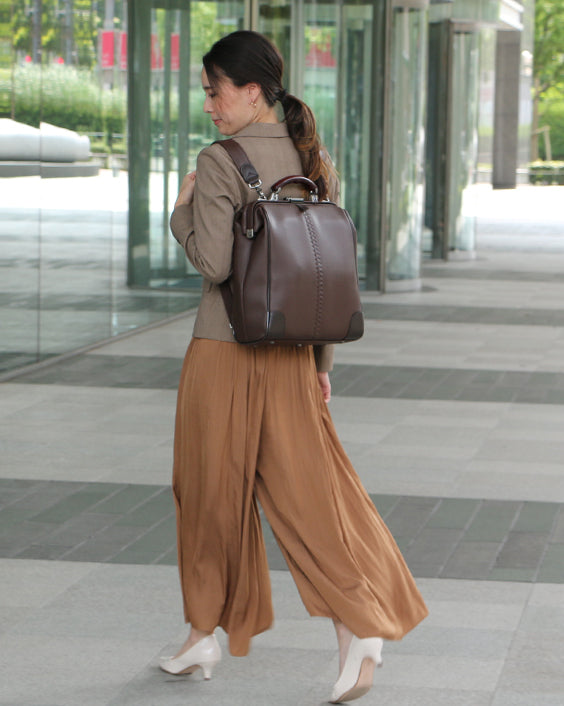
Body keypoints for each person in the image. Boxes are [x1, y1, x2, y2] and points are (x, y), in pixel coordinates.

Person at [161, 30, 428, 704]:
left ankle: (209, 631)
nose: (209, 105)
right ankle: (342, 626)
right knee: (307, 498)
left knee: (206, 493)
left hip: (224, 352)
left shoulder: (219, 160)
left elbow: (214, 263)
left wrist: (181, 212)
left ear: (251, 91)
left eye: (215, 91)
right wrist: (320, 363)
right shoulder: (312, 157)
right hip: (294, 358)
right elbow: (323, 273)